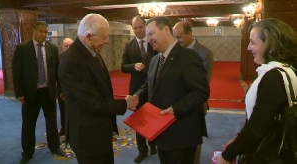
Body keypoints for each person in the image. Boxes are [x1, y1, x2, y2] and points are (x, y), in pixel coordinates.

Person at [58, 13, 138, 164]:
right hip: (88, 137)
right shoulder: (72, 62)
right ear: (89, 37)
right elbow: (93, 103)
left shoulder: (90, 50)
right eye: (104, 37)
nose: (108, 41)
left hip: (99, 131)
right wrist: (125, 104)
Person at [216, 18, 297, 163]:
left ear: (270, 45)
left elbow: (257, 128)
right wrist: (240, 139)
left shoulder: (273, 78)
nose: (248, 48)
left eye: (253, 43)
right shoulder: (288, 70)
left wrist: (227, 155)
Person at [133, 16, 209, 164]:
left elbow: (201, 92)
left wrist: (175, 109)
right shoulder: (155, 59)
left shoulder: (188, 57)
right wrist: (136, 96)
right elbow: (149, 84)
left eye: (151, 34)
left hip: (182, 135)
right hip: (162, 133)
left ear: (166, 30)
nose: (149, 39)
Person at [12, 21, 65, 164]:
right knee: (28, 124)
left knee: (52, 123)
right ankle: (27, 152)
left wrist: (61, 90)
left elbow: (58, 71)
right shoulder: (22, 48)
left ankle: (54, 146)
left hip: (48, 92)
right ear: (34, 31)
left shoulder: (52, 48)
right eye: (41, 31)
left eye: (45, 32)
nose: (43, 34)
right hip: (30, 94)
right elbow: (16, 72)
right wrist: (19, 93)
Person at [172, 20, 213, 164]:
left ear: (189, 34)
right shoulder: (176, 50)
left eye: (179, 37)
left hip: (195, 105)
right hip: (178, 104)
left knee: (193, 144)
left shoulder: (204, 53)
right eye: (174, 37)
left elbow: (202, 86)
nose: (176, 41)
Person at [121, 15, 158, 163]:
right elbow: (123, 67)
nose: (137, 30)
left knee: (154, 118)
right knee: (139, 120)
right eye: (134, 28)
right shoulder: (129, 45)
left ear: (145, 26)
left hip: (154, 87)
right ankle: (142, 151)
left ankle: (153, 143)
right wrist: (134, 66)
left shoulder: (154, 42)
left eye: (140, 27)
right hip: (136, 89)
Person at [57, 37, 73, 136]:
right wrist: (62, 91)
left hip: (74, 90)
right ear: (62, 47)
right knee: (63, 110)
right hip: (62, 90)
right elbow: (58, 76)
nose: (68, 47)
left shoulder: (79, 58)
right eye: (66, 46)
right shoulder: (59, 58)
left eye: (70, 46)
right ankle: (64, 128)